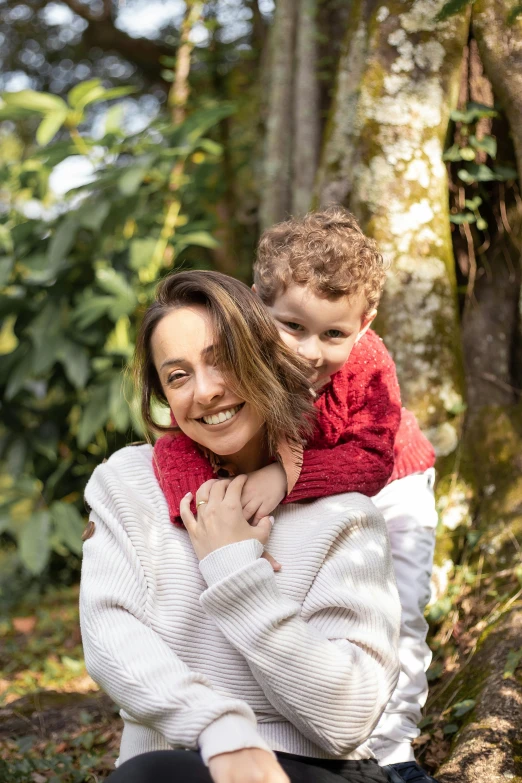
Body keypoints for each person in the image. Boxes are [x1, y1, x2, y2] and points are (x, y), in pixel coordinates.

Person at [80, 270, 401, 783]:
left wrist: (233, 569)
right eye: (178, 375)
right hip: (166, 762)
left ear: (265, 357)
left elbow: (347, 717)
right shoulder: (127, 484)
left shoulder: (345, 514)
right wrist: (220, 729)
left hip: (311, 767)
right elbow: (111, 637)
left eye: (221, 359)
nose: (205, 391)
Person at [154, 209, 439, 783]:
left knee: (403, 609)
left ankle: (392, 750)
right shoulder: (242, 350)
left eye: (334, 334)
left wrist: (281, 478)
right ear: (261, 306)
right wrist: (207, 510)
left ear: (365, 323)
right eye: (294, 327)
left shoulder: (369, 365)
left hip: (391, 480)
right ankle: (293, 726)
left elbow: (370, 459)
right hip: (307, 495)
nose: (311, 351)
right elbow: (175, 445)